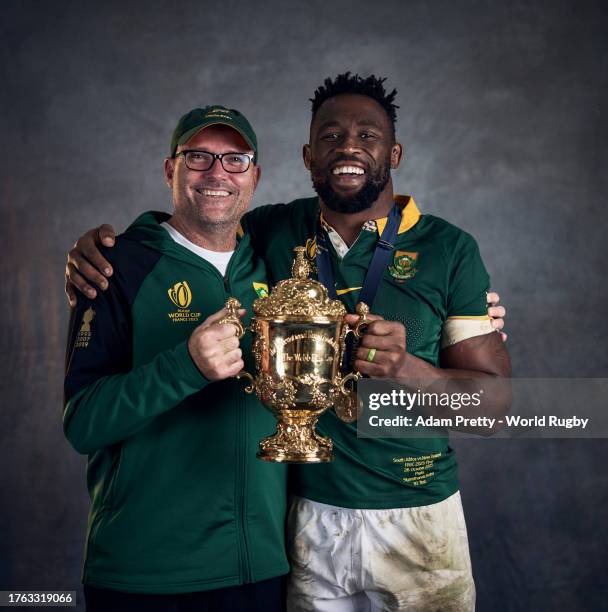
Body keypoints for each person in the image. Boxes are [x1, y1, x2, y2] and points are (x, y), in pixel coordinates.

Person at [65, 74, 510, 612]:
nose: (348, 147)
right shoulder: (273, 232)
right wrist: (93, 251)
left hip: (418, 514)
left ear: (394, 151)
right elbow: (196, 230)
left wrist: (411, 370)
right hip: (305, 517)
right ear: (307, 156)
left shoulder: (450, 248)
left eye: (368, 136)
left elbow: (494, 409)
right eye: (330, 136)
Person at [64, 106, 289, 612]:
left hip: (262, 569)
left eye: (235, 160)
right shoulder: (115, 267)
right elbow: (82, 424)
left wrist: (472, 312)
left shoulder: (275, 266)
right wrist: (183, 367)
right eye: (198, 157)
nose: (217, 173)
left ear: (255, 176)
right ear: (171, 169)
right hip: (148, 575)